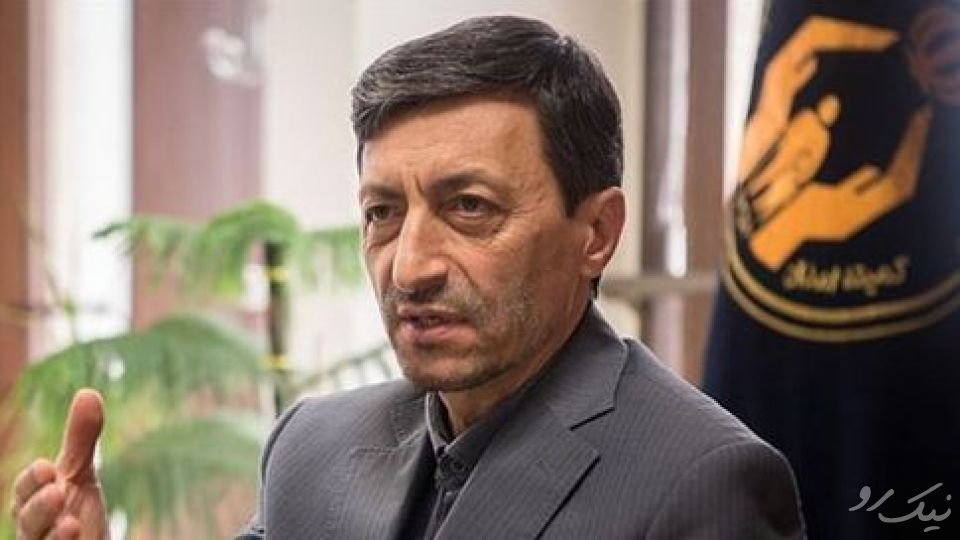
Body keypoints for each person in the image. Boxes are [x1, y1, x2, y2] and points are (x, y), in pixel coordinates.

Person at [11, 16, 805, 539]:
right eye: (382, 213)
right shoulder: (312, 447)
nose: (411, 266)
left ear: (596, 233)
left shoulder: (702, 484)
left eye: (469, 207)